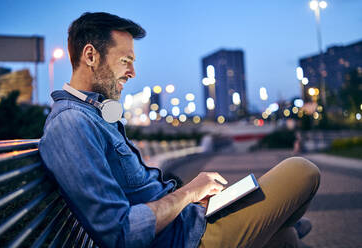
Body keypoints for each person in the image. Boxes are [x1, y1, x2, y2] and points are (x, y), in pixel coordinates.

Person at [39, 12, 320, 248]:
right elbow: (119, 232)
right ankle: (284, 220)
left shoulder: (92, 114)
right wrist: (188, 193)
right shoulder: (71, 124)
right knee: (302, 170)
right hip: (187, 239)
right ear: (90, 55)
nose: (132, 72)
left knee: (286, 238)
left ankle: (283, 224)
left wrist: (193, 200)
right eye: (125, 60)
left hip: (189, 223)